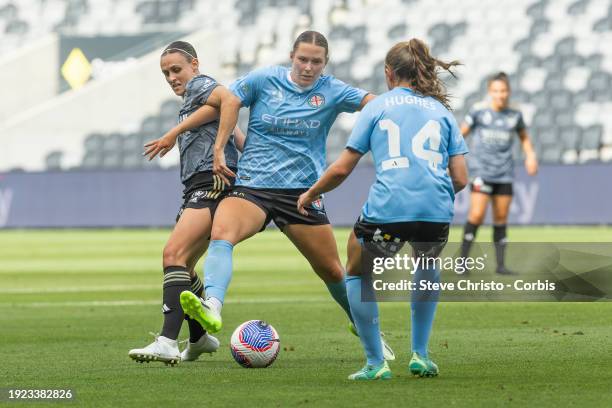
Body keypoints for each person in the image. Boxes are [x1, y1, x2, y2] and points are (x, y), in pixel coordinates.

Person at [178, 30, 395, 361]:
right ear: (291, 57)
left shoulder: (333, 90)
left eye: (316, 62)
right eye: (302, 59)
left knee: (333, 271)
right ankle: (213, 306)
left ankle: (367, 329)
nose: (308, 67)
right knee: (222, 234)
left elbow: (374, 104)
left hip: (302, 193)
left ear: (325, 63)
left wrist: (406, 102)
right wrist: (191, 137)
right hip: (253, 186)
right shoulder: (264, 80)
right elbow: (225, 102)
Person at [297, 39, 468, 380]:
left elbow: (342, 169)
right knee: (426, 265)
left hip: (390, 210)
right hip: (436, 212)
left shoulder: (377, 107)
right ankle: (420, 354)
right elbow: (461, 178)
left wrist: (310, 193)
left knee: (358, 272)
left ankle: (376, 363)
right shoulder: (442, 111)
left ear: (390, 74)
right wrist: (429, 196)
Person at [128, 41, 245, 365]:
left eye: (176, 69)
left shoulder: (200, 84)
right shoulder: (197, 103)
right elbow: (231, 123)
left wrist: (175, 134)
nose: (171, 77)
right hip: (201, 185)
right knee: (184, 267)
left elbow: (228, 98)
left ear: (194, 65)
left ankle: (167, 340)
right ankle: (199, 338)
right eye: (166, 73)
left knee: (172, 254)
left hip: (211, 184)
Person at [459, 72, 538, 275]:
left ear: (508, 92)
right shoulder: (478, 112)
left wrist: (530, 156)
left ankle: (501, 265)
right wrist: (453, 157)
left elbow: (524, 137)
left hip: (504, 173)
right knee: (476, 215)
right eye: (496, 91)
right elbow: (460, 135)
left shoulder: (514, 115)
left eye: (503, 91)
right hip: (481, 172)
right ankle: (462, 262)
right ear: (489, 92)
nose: (500, 95)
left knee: (501, 218)